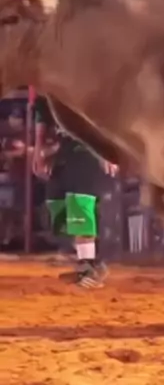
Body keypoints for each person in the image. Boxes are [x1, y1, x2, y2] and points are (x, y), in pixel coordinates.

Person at [32, 96, 117, 288]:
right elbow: (42, 112)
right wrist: (40, 149)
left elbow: (109, 111)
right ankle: (93, 260)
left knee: (80, 206)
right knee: (57, 211)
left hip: (89, 150)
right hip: (64, 149)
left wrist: (107, 148)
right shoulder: (48, 89)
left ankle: (88, 267)